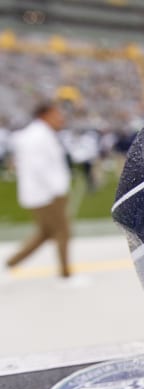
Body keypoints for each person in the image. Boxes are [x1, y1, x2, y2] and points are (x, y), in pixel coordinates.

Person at [4, 103, 73, 279]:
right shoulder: (37, 136)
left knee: (45, 233)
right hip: (46, 195)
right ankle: (66, 275)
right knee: (62, 232)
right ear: (45, 115)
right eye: (57, 114)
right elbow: (40, 167)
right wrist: (58, 190)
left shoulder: (38, 134)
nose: (61, 118)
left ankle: (10, 263)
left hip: (42, 193)